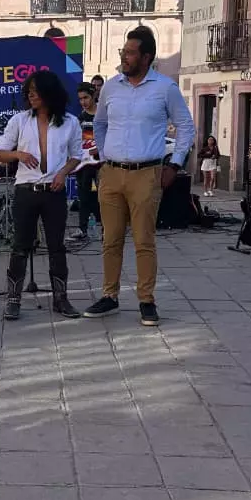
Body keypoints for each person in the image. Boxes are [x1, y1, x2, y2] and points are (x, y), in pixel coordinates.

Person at [85, 25, 194, 327]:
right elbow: (100, 124)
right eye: (124, 51)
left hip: (146, 173)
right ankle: (109, 296)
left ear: (146, 57)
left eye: (131, 53)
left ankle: (146, 300)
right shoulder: (111, 87)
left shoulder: (165, 88)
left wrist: (175, 164)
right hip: (111, 173)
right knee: (110, 239)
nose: (124, 57)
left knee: (144, 240)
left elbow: (186, 126)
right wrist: (104, 156)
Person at [0, 70, 83, 320]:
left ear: (49, 93)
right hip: (26, 191)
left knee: (57, 247)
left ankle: (61, 299)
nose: (31, 96)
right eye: (28, 92)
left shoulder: (70, 122)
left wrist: (63, 173)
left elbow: (77, 155)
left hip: (54, 192)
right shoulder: (19, 120)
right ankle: (13, 299)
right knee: (20, 246)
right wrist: (18, 155)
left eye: (36, 91)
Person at [73, 82, 101, 237]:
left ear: (93, 96)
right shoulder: (80, 118)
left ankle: (106, 228)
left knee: (103, 196)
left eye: (86, 98)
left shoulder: (103, 115)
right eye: (80, 99)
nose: (83, 102)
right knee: (83, 196)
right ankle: (82, 228)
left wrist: (99, 148)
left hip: (101, 162)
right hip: (84, 163)